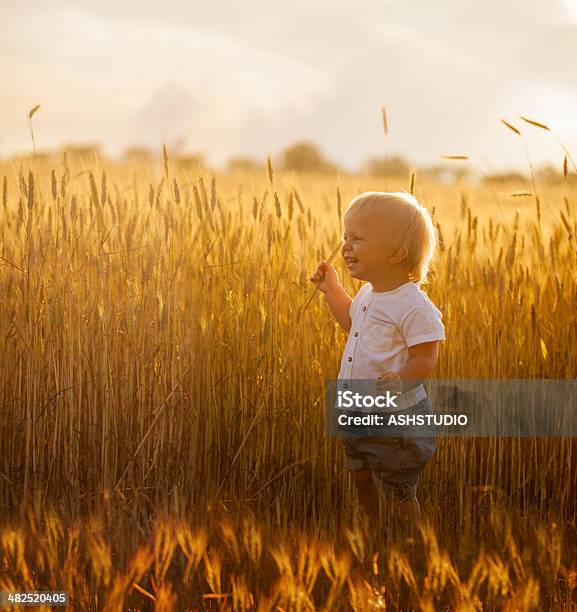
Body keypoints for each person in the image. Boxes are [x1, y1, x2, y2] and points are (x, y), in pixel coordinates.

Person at [310, 191, 446, 532]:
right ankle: (372, 526)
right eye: (345, 237)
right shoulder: (370, 294)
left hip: (393, 419)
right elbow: (352, 322)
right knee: (359, 471)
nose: (346, 247)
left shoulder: (413, 305)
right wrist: (332, 290)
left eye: (357, 239)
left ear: (396, 253)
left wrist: (403, 378)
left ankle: (410, 537)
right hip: (357, 407)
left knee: (397, 486)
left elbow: (427, 355)